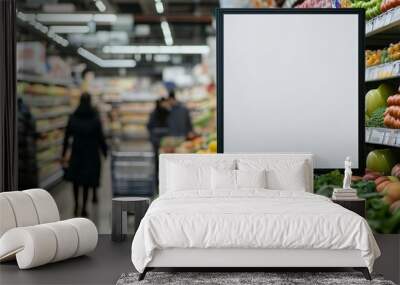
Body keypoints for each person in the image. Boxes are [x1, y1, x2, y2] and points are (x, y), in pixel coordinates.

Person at [62, 93, 108, 217]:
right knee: (87, 181)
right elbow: (100, 137)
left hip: (77, 152)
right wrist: (105, 151)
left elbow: (67, 137)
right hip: (91, 153)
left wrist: (64, 153)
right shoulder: (95, 118)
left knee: (76, 181)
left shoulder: (73, 117)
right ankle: (84, 206)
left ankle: (77, 204)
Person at [147, 98, 170, 186]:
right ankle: (159, 182)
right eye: (164, 103)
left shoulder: (161, 112)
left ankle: (159, 182)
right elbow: (151, 127)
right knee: (159, 162)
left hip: (161, 141)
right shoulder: (162, 113)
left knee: (159, 162)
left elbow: (149, 126)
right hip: (160, 141)